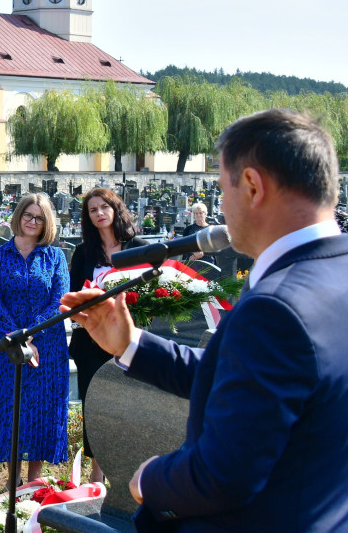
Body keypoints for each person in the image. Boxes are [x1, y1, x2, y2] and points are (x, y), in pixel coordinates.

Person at [61, 109, 348, 532]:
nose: (220, 207)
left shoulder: (276, 307)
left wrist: (151, 479)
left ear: (251, 186)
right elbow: (241, 378)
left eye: (221, 189)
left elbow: (226, 474)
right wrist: (131, 343)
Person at [0, 193, 69, 484]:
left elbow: (58, 301)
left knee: (41, 409)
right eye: (28, 215)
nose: (33, 221)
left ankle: (35, 480)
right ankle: (14, 480)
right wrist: (18, 338)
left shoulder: (55, 257)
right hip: (6, 344)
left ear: (46, 222)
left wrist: (32, 335)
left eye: (39, 217)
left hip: (46, 345)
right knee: (11, 408)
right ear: (18, 217)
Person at [68, 187, 146, 483]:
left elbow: (151, 293)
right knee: (96, 407)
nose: (99, 213)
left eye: (104, 207)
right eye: (92, 210)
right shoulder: (83, 252)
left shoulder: (137, 246)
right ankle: (96, 475)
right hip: (91, 341)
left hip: (129, 340)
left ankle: (130, 472)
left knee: (126, 407)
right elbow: (74, 295)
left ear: (115, 209)